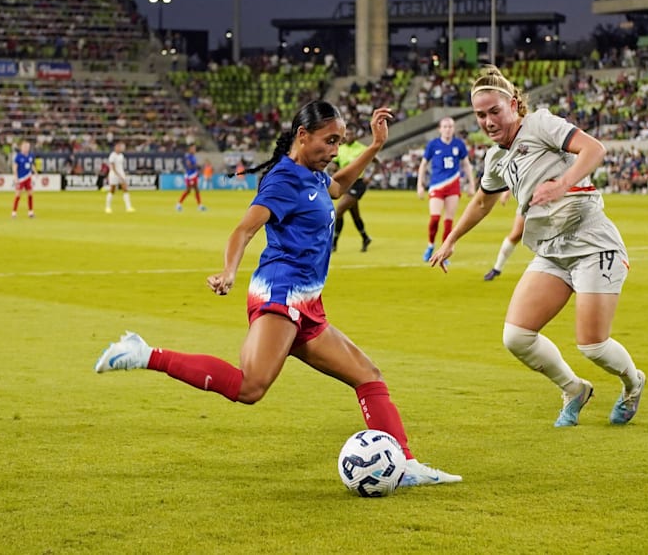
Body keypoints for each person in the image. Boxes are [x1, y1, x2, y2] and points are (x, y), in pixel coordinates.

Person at [95, 102, 459, 488]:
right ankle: (143, 353)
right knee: (251, 386)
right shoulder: (283, 180)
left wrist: (373, 147)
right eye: (329, 141)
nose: (335, 150)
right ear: (303, 137)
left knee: (368, 376)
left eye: (339, 142)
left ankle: (404, 465)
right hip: (280, 294)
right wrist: (229, 270)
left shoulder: (315, 175)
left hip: (307, 302)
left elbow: (338, 187)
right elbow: (243, 230)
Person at [427, 65, 646, 427]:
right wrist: (451, 239)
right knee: (517, 337)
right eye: (480, 115)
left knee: (592, 345)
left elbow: (593, 149)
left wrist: (562, 183)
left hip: (592, 242)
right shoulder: (495, 158)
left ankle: (632, 383)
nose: (488, 120)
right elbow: (483, 201)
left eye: (494, 111)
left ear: (513, 104)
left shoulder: (540, 125)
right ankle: (574, 388)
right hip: (551, 249)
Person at [417, 117, 474, 262]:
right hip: (436, 185)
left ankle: (444, 250)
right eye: (445, 126)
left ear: (453, 129)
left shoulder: (459, 145)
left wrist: (471, 184)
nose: (448, 129)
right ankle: (430, 245)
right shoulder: (433, 145)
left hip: (453, 185)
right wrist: (420, 184)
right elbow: (423, 165)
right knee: (435, 218)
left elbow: (466, 164)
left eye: (450, 126)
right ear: (439, 129)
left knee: (449, 220)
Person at [331, 126, 372, 252]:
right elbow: (335, 162)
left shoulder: (361, 148)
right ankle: (365, 237)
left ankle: (334, 243)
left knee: (339, 210)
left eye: (351, 134)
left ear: (355, 135)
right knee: (354, 213)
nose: (348, 136)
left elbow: (376, 161)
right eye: (346, 134)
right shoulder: (340, 149)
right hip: (345, 184)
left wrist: (369, 175)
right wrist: (334, 168)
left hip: (358, 183)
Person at [483, 192, 523, 281]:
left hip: (556, 199)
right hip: (530, 198)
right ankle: (497, 268)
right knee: (516, 234)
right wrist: (507, 191)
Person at [176, 143, 207, 212]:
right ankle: (179, 204)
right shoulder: (188, 156)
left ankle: (199, 205)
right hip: (190, 176)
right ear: (190, 149)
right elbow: (189, 165)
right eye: (193, 148)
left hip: (193, 174)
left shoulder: (193, 156)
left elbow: (194, 165)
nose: (194, 149)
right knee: (189, 190)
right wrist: (197, 167)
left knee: (195, 189)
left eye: (195, 148)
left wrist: (198, 167)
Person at [105, 141, 133, 213]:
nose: (119, 148)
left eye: (120, 147)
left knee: (125, 189)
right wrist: (118, 175)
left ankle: (128, 207)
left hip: (121, 174)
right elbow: (113, 167)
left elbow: (120, 166)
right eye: (118, 147)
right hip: (114, 174)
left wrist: (122, 174)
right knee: (112, 190)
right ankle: (108, 207)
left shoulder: (121, 156)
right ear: (115, 147)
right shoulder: (112, 155)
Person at [11, 139, 35, 218]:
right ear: (21, 147)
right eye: (25, 146)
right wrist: (16, 177)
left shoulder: (30, 155)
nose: (26, 148)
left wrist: (35, 172)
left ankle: (30, 212)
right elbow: (15, 167)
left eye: (27, 146)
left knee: (30, 194)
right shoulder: (18, 156)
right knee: (18, 195)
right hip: (21, 178)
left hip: (28, 178)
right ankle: (14, 212)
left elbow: (31, 165)